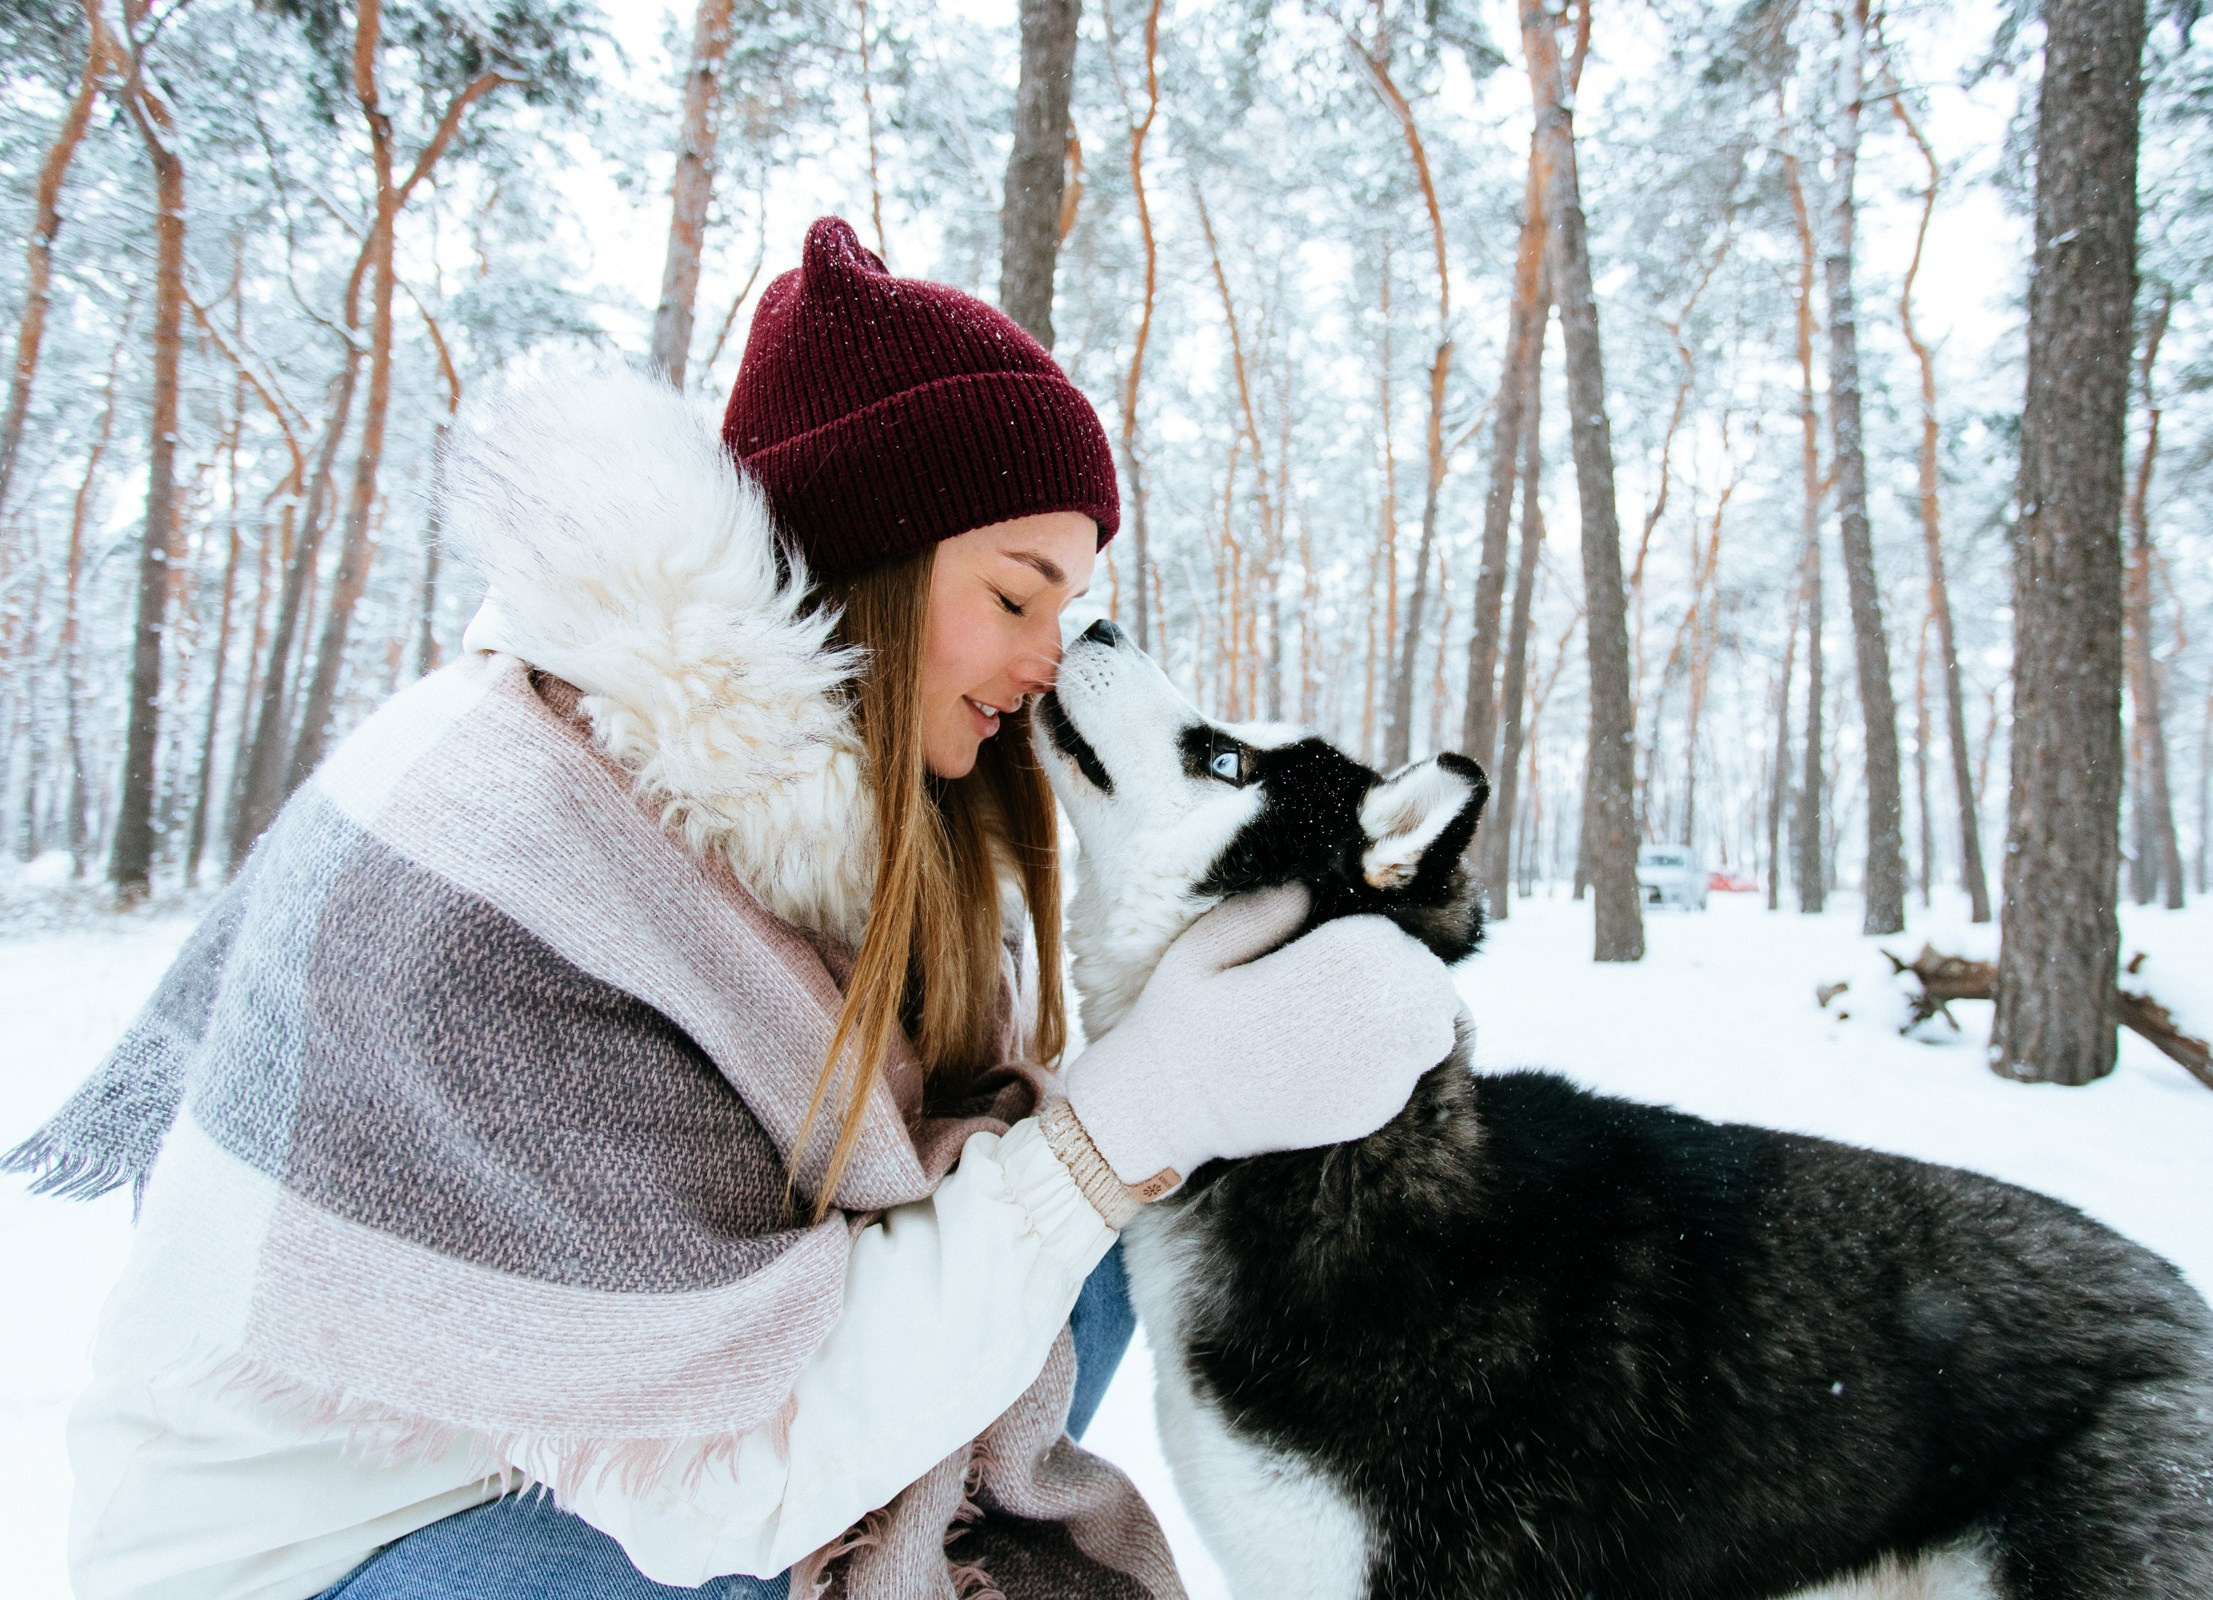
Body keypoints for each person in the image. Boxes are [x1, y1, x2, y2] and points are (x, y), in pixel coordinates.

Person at [13, 218, 1458, 1600]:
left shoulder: (885, 826)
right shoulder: (521, 847)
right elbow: (711, 1486)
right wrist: (1127, 1122)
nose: (1047, 659)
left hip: (581, 1474)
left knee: (1096, 1245)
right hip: (348, 1536)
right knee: (1083, 1199)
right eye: (1018, 595)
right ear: (873, 552)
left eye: (1069, 607)